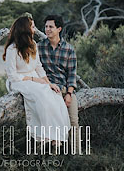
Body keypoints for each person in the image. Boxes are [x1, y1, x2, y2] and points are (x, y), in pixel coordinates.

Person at [3, 14, 70, 146]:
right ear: (25, 29)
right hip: (18, 81)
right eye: (32, 27)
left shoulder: (33, 44)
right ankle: (46, 135)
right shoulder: (12, 49)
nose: (34, 29)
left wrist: (48, 83)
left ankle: (56, 134)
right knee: (41, 94)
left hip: (35, 78)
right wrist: (33, 79)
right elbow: (12, 75)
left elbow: (39, 66)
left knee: (54, 94)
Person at [38, 14, 80, 150]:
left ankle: (76, 154)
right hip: (47, 90)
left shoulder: (69, 49)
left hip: (64, 89)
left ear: (59, 29)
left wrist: (68, 94)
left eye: (51, 27)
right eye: (46, 27)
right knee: (49, 121)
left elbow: (72, 74)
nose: (47, 29)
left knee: (73, 121)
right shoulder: (39, 48)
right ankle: (51, 155)